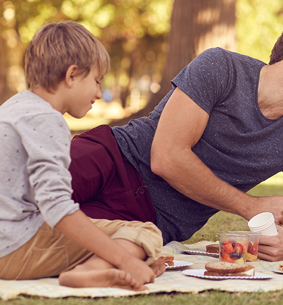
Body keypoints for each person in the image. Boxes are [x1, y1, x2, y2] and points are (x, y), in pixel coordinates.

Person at [69, 11, 283, 261]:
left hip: (149, 221)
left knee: (48, 241)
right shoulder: (222, 67)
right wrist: (250, 207)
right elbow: (166, 157)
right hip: (113, 157)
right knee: (26, 192)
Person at [0, 22, 164, 290]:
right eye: (97, 81)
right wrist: (126, 260)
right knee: (145, 231)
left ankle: (97, 266)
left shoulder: (15, 107)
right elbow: (57, 207)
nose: (99, 93)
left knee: (110, 232)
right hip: (14, 249)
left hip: (10, 240)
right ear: (72, 75)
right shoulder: (46, 119)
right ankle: (88, 272)